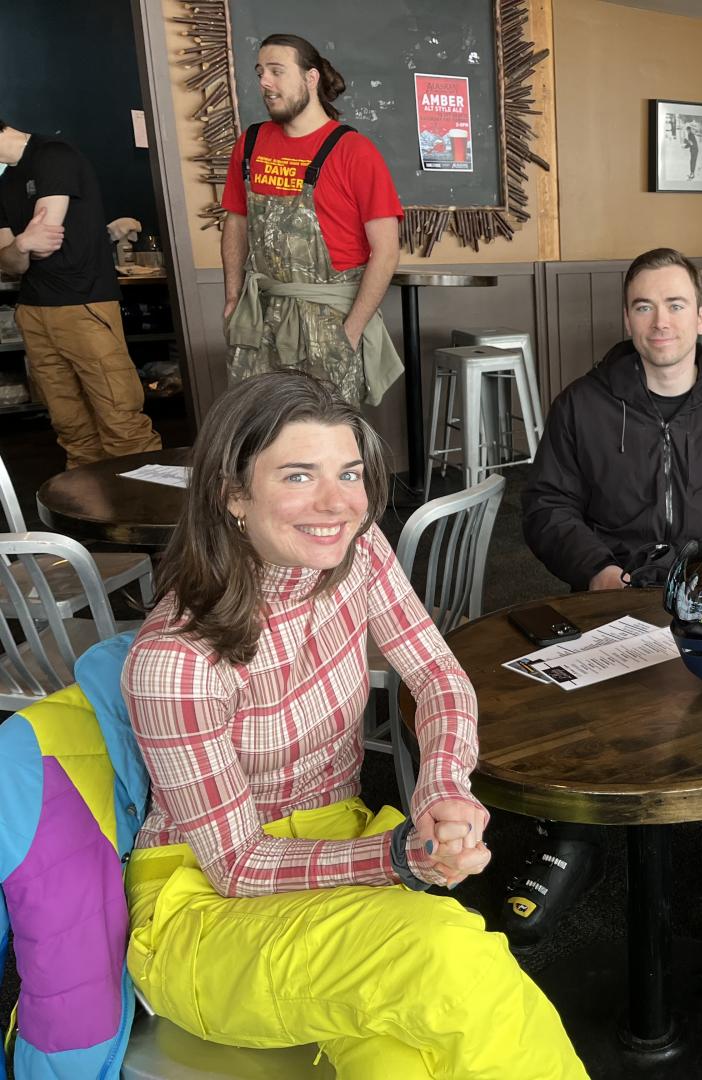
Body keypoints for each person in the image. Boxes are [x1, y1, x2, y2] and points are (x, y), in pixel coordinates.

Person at [121, 371, 586, 1077]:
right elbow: (238, 865)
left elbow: (439, 676)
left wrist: (443, 786)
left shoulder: (358, 554)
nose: (337, 503)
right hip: (209, 910)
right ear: (232, 494)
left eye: (348, 473)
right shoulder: (175, 662)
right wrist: (400, 857)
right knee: (446, 957)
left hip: (333, 852)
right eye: (299, 475)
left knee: (408, 1058)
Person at [514, 247, 702, 945]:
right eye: (644, 306)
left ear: (701, 317)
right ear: (627, 318)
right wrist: (597, 571)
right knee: (574, 715)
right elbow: (547, 505)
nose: (660, 322)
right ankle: (572, 835)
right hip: (616, 593)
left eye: (675, 305)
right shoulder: (583, 404)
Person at [221, 34, 404, 407]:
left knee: (324, 429)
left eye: (276, 71)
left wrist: (351, 330)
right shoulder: (250, 143)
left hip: (329, 321)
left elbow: (386, 251)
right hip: (260, 316)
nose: (264, 82)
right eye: (260, 72)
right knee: (258, 424)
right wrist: (232, 297)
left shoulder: (354, 151)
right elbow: (236, 222)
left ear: (311, 78)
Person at [0, 118, 161, 467]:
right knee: (71, 427)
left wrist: (23, 245)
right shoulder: (6, 182)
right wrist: (22, 244)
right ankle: (90, 500)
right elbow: (12, 263)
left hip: (82, 304)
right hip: (33, 310)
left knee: (121, 420)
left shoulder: (52, 155)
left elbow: (44, 244)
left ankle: (145, 499)